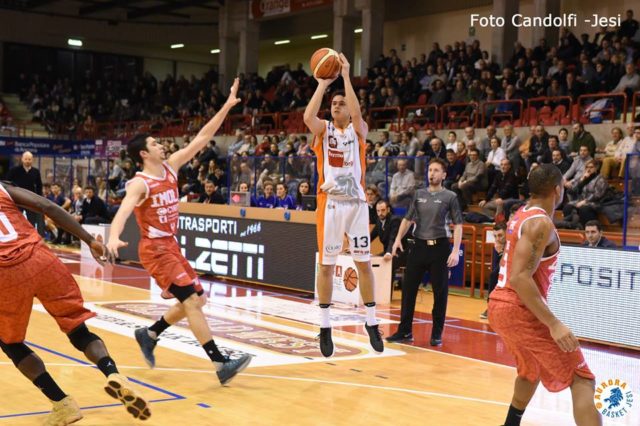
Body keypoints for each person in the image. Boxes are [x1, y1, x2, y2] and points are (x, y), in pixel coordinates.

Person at [105, 78, 252, 385]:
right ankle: (220, 364)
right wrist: (114, 236)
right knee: (190, 302)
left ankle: (150, 333)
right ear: (144, 154)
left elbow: (203, 137)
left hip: (171, 246)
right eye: (154, 144)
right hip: (156, 250)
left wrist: (227, 106)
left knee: (197, 299)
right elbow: (124, 209)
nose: (161, 145)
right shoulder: (140, 182)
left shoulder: (171, 166)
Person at [0, 181, 150, 424]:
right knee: (78, 329)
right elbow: (46, 205)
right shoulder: (2, 187)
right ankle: (113, 372)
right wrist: (90, 240)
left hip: (5, 273)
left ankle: (62, 403)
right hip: (42, 259)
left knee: (11, 342)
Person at [488, 164, 600, 426]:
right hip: (516, 308)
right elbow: (519, 277)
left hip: (499, 305)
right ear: (557, 189)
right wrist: (554, 324)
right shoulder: (540, 223)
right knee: (582, 378)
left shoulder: (521, 213)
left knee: (530, 371)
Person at [303, 52, 384, 357]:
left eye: (341, 104)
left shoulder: (358, 130)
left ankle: (372, 322)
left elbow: (357, 112)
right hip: (332, 205)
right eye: (334, 105)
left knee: (364, 263)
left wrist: (347, 76)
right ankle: (325, 327)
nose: (337, 106)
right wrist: (323, 84)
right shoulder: (323, 131)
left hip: (358, 205)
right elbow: (307, 118)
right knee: (327, 265)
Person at [386, 158, 463, 346]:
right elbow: (407, 219)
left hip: (440, 248)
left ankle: (437, 333)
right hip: (418, 246)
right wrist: (396, 241)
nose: (432, 173)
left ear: (444, 175)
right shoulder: (418, 194)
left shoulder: (450, 196)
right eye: (430, 170)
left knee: (440, 293)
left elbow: (458, 225)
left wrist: (454, 251)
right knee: (408, 289)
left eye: (436, 170)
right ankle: (404, 332)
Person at [370, 199, 407, 288]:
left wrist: (389, 252)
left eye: (383, 210)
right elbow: (370, 237)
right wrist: (358, 248)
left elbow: (392, 239)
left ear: (388, 210)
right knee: (374, 260)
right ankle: (378, 290)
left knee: (388, 263)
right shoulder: (379, 221)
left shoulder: (395, 220)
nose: (380, 213)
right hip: (388, 251)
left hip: (401, 252)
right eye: (378, 211)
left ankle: (387, 293)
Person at [7, 151, 45, 235]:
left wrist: (38, 198)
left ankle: (30, 236)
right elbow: (7, 182)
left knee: (31, 219)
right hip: (17, 198)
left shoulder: (35, 171)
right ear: (22, 159)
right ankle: (16, 234)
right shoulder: (15, 170)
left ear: (32, 160)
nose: (27, 161)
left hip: (30, 198)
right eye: (26, 159)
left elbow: (39, 186)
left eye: (29, 159)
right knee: (16, 217)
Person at [479, 222, 506, 319]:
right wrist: (500, 252)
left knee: (495, 275)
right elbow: (498, 267)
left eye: (500, 235)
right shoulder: (497, 245)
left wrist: (501, 252)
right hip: (503, 269)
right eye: (495, 236)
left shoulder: (513, 243)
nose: (498, 239)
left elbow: (506, 266)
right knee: (494, 275)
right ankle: (490, 306)